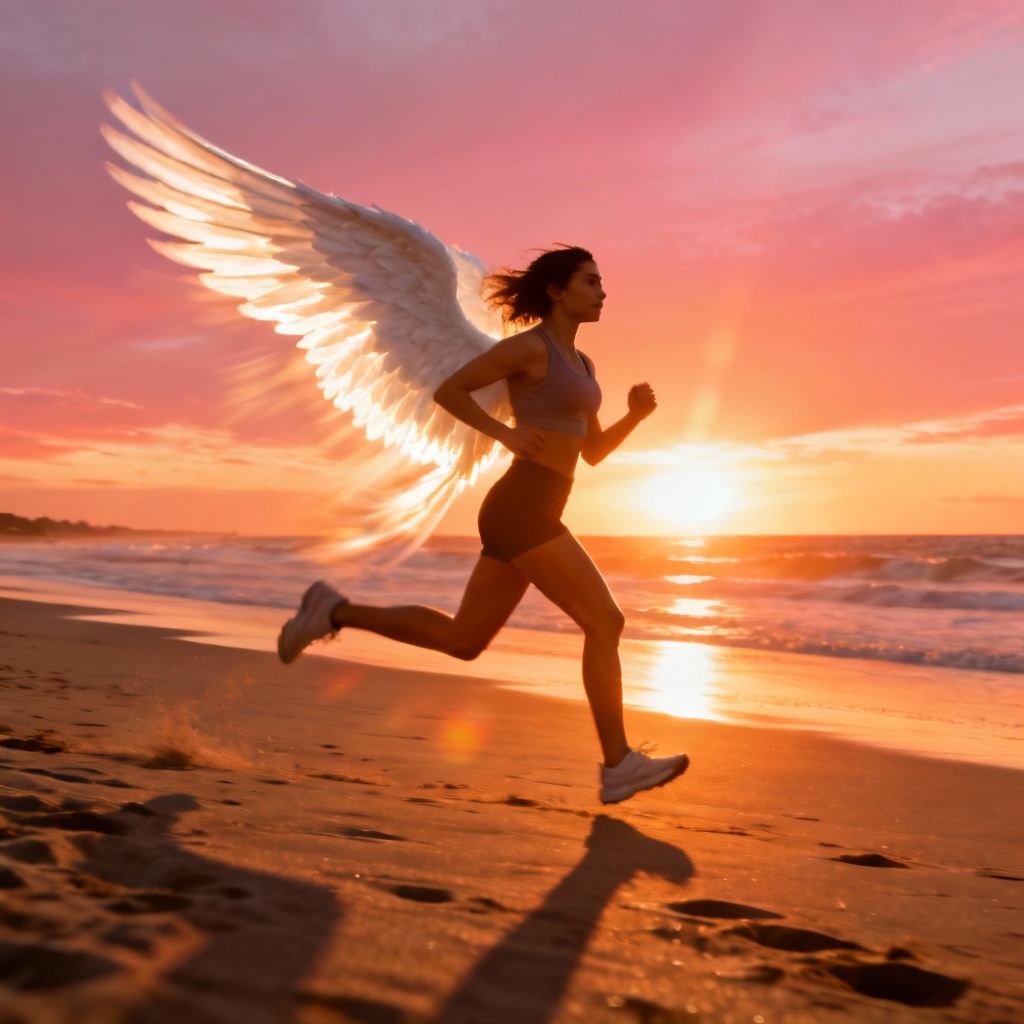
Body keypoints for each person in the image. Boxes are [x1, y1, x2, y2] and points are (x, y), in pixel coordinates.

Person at [277, 246, 688, 804]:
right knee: (605, 621)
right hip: (521, 505)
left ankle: (332, 610)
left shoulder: (585, 367)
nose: (603, 292)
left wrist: (634, 419)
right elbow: (449, 390)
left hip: (536, 506)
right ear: (557, 291)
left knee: (463, 639)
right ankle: (617, 764)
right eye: (591, 282)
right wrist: (505, 435)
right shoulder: (527, 349)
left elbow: (590, 452)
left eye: (602, 283)